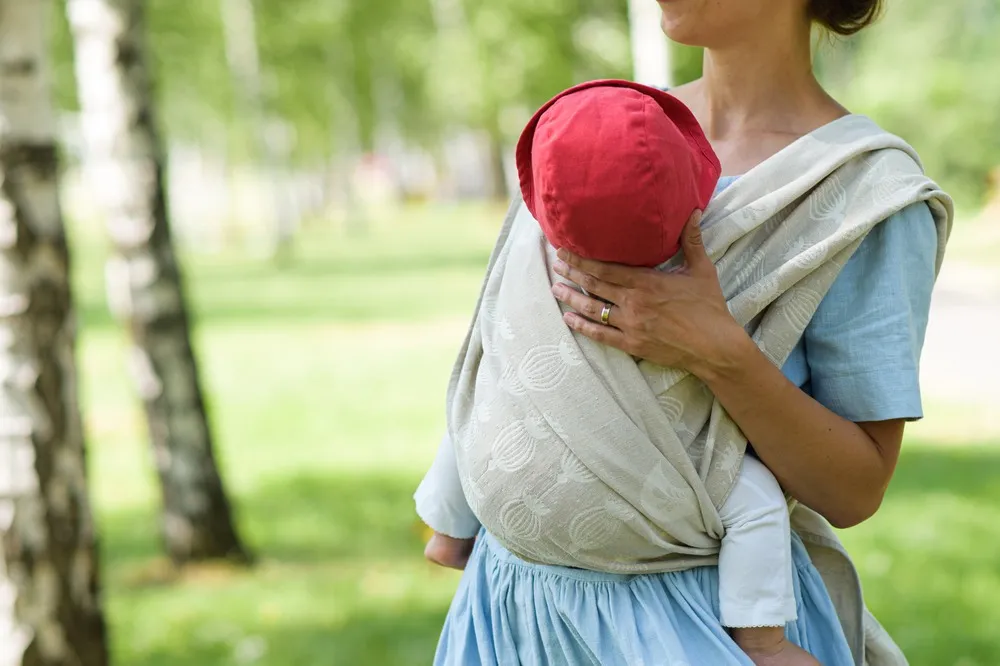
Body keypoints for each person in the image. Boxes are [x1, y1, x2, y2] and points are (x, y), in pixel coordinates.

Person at [415, 0, 953, 663]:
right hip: (514, 612)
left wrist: (718, 350)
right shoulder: (596, 137)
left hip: (701, 627)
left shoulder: (861, 191)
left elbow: (854, 488)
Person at [420, 79, 820, 666]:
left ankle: (448, 532)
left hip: (532, 424)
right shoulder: (707, 267)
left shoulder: (538, 265)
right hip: (663, 452)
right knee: (753, 500)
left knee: (478, 416)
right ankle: (763, 641)